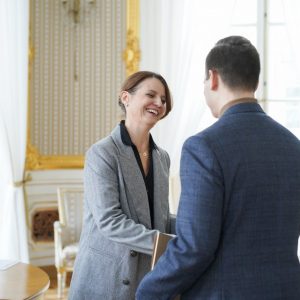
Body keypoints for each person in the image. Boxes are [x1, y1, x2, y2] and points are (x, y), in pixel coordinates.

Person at [136, 36, 300, 299]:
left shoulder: (204, 147)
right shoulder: (294, 146)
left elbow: (194, 247)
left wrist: (148, 291)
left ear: (212, 78)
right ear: (255, 82)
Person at [68, 71, 175, 300]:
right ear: (126, 98)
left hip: (145, 277)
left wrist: (195, 227)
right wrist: (167, 244)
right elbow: (109, 221)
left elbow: (161, 216)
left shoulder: (162, 157)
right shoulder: (102, 153)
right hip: (104, 278)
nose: (159, 103)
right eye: (151, 95)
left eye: (163, 99)